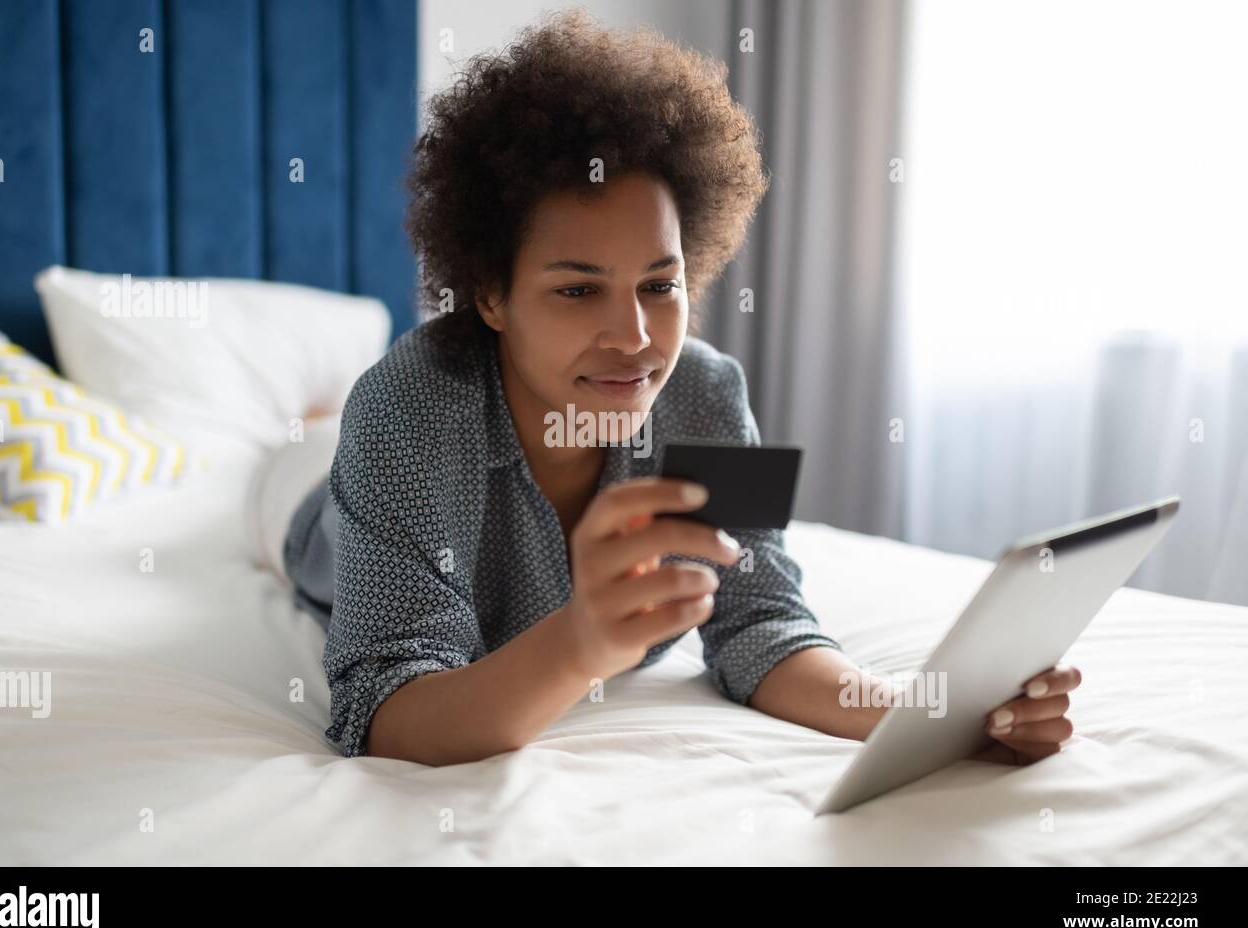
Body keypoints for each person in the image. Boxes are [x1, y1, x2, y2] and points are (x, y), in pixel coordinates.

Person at [284, 9, 1079, 765]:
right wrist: (577, 646)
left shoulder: (707, 391)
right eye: (576, 290)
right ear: (491, 293)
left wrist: (927, 715)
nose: (634, 338)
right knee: (291, 468)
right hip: (314, 516)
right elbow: (381, 711)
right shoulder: (403, 410)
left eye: (659, 287)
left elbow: (762, 623)